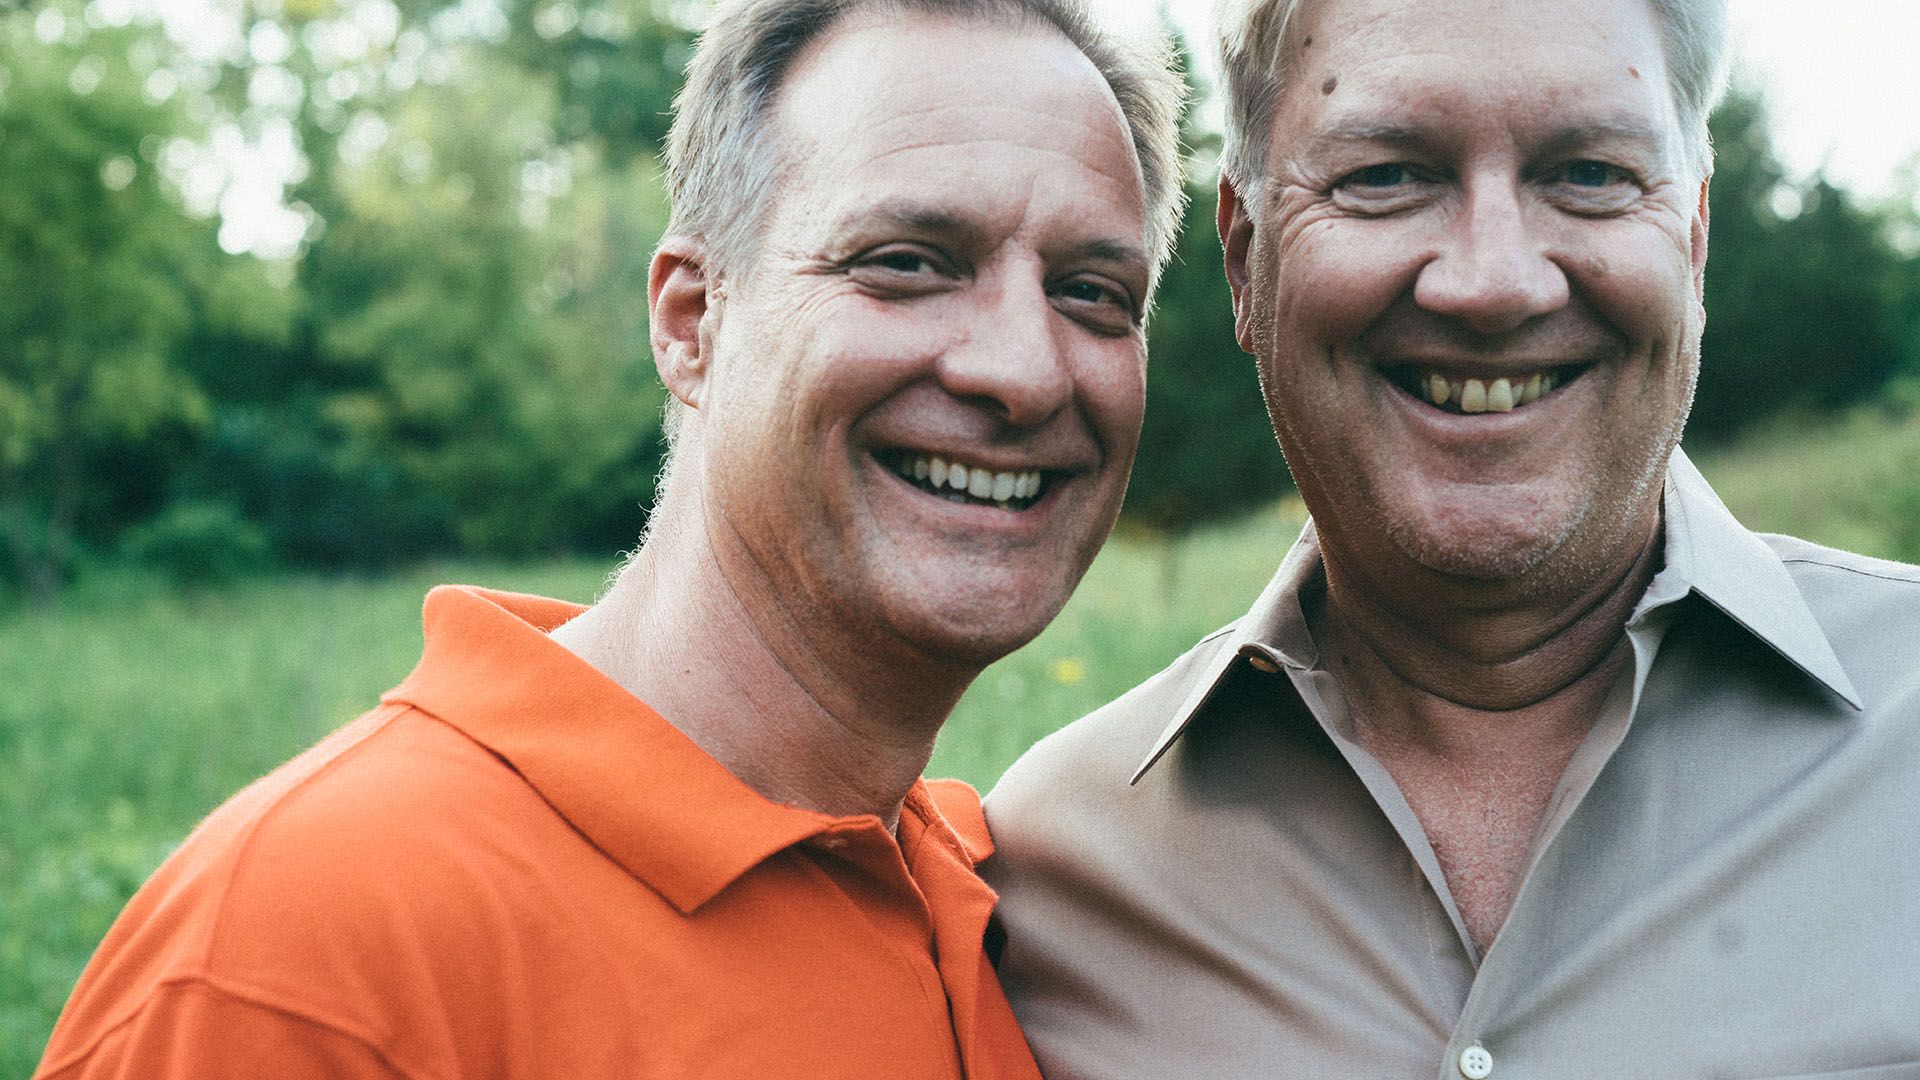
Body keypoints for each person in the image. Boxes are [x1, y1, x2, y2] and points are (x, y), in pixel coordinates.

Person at [34, 1, 1184, 1076]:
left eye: (1091, 292)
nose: (1023, 370)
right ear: (693, 323)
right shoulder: (307, 948)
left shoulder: (1018, 921)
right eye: (906, 264)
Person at [984, 0, 1920, 1075]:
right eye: (1385, 175)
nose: (1493, 283)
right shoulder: (1048, 877)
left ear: (1694, 239)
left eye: (1592, 174)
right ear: (1244, 261)